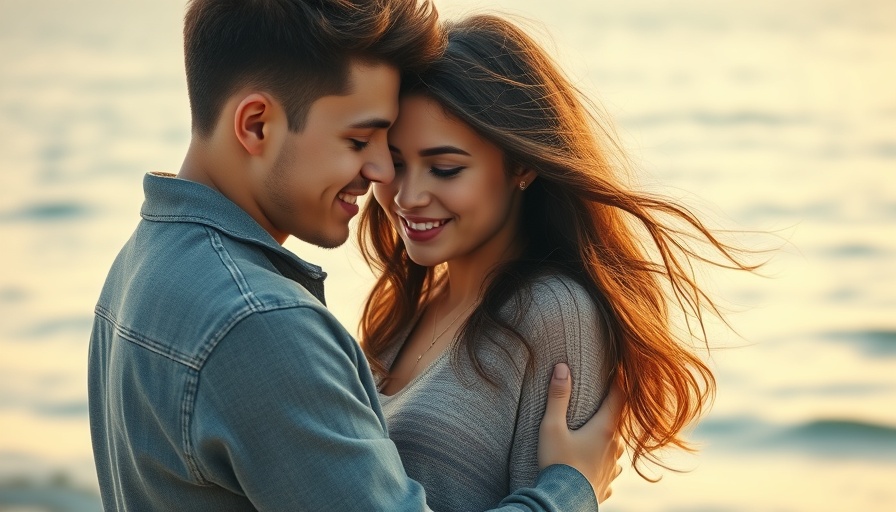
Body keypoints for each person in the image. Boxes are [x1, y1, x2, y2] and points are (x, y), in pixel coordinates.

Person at [87, 1, 624, 511]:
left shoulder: (140, 268)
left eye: (443, 167)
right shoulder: (259, 322)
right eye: (360, 140)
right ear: (255, 125)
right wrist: (569, 492)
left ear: (521, 166)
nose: (384, 177)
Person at [358, 14, 759, 511]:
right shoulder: (402, 311)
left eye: (445, 169)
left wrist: (568, 492)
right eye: (394, 162)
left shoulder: (554, 314)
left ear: (522, 164)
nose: (408, 195)